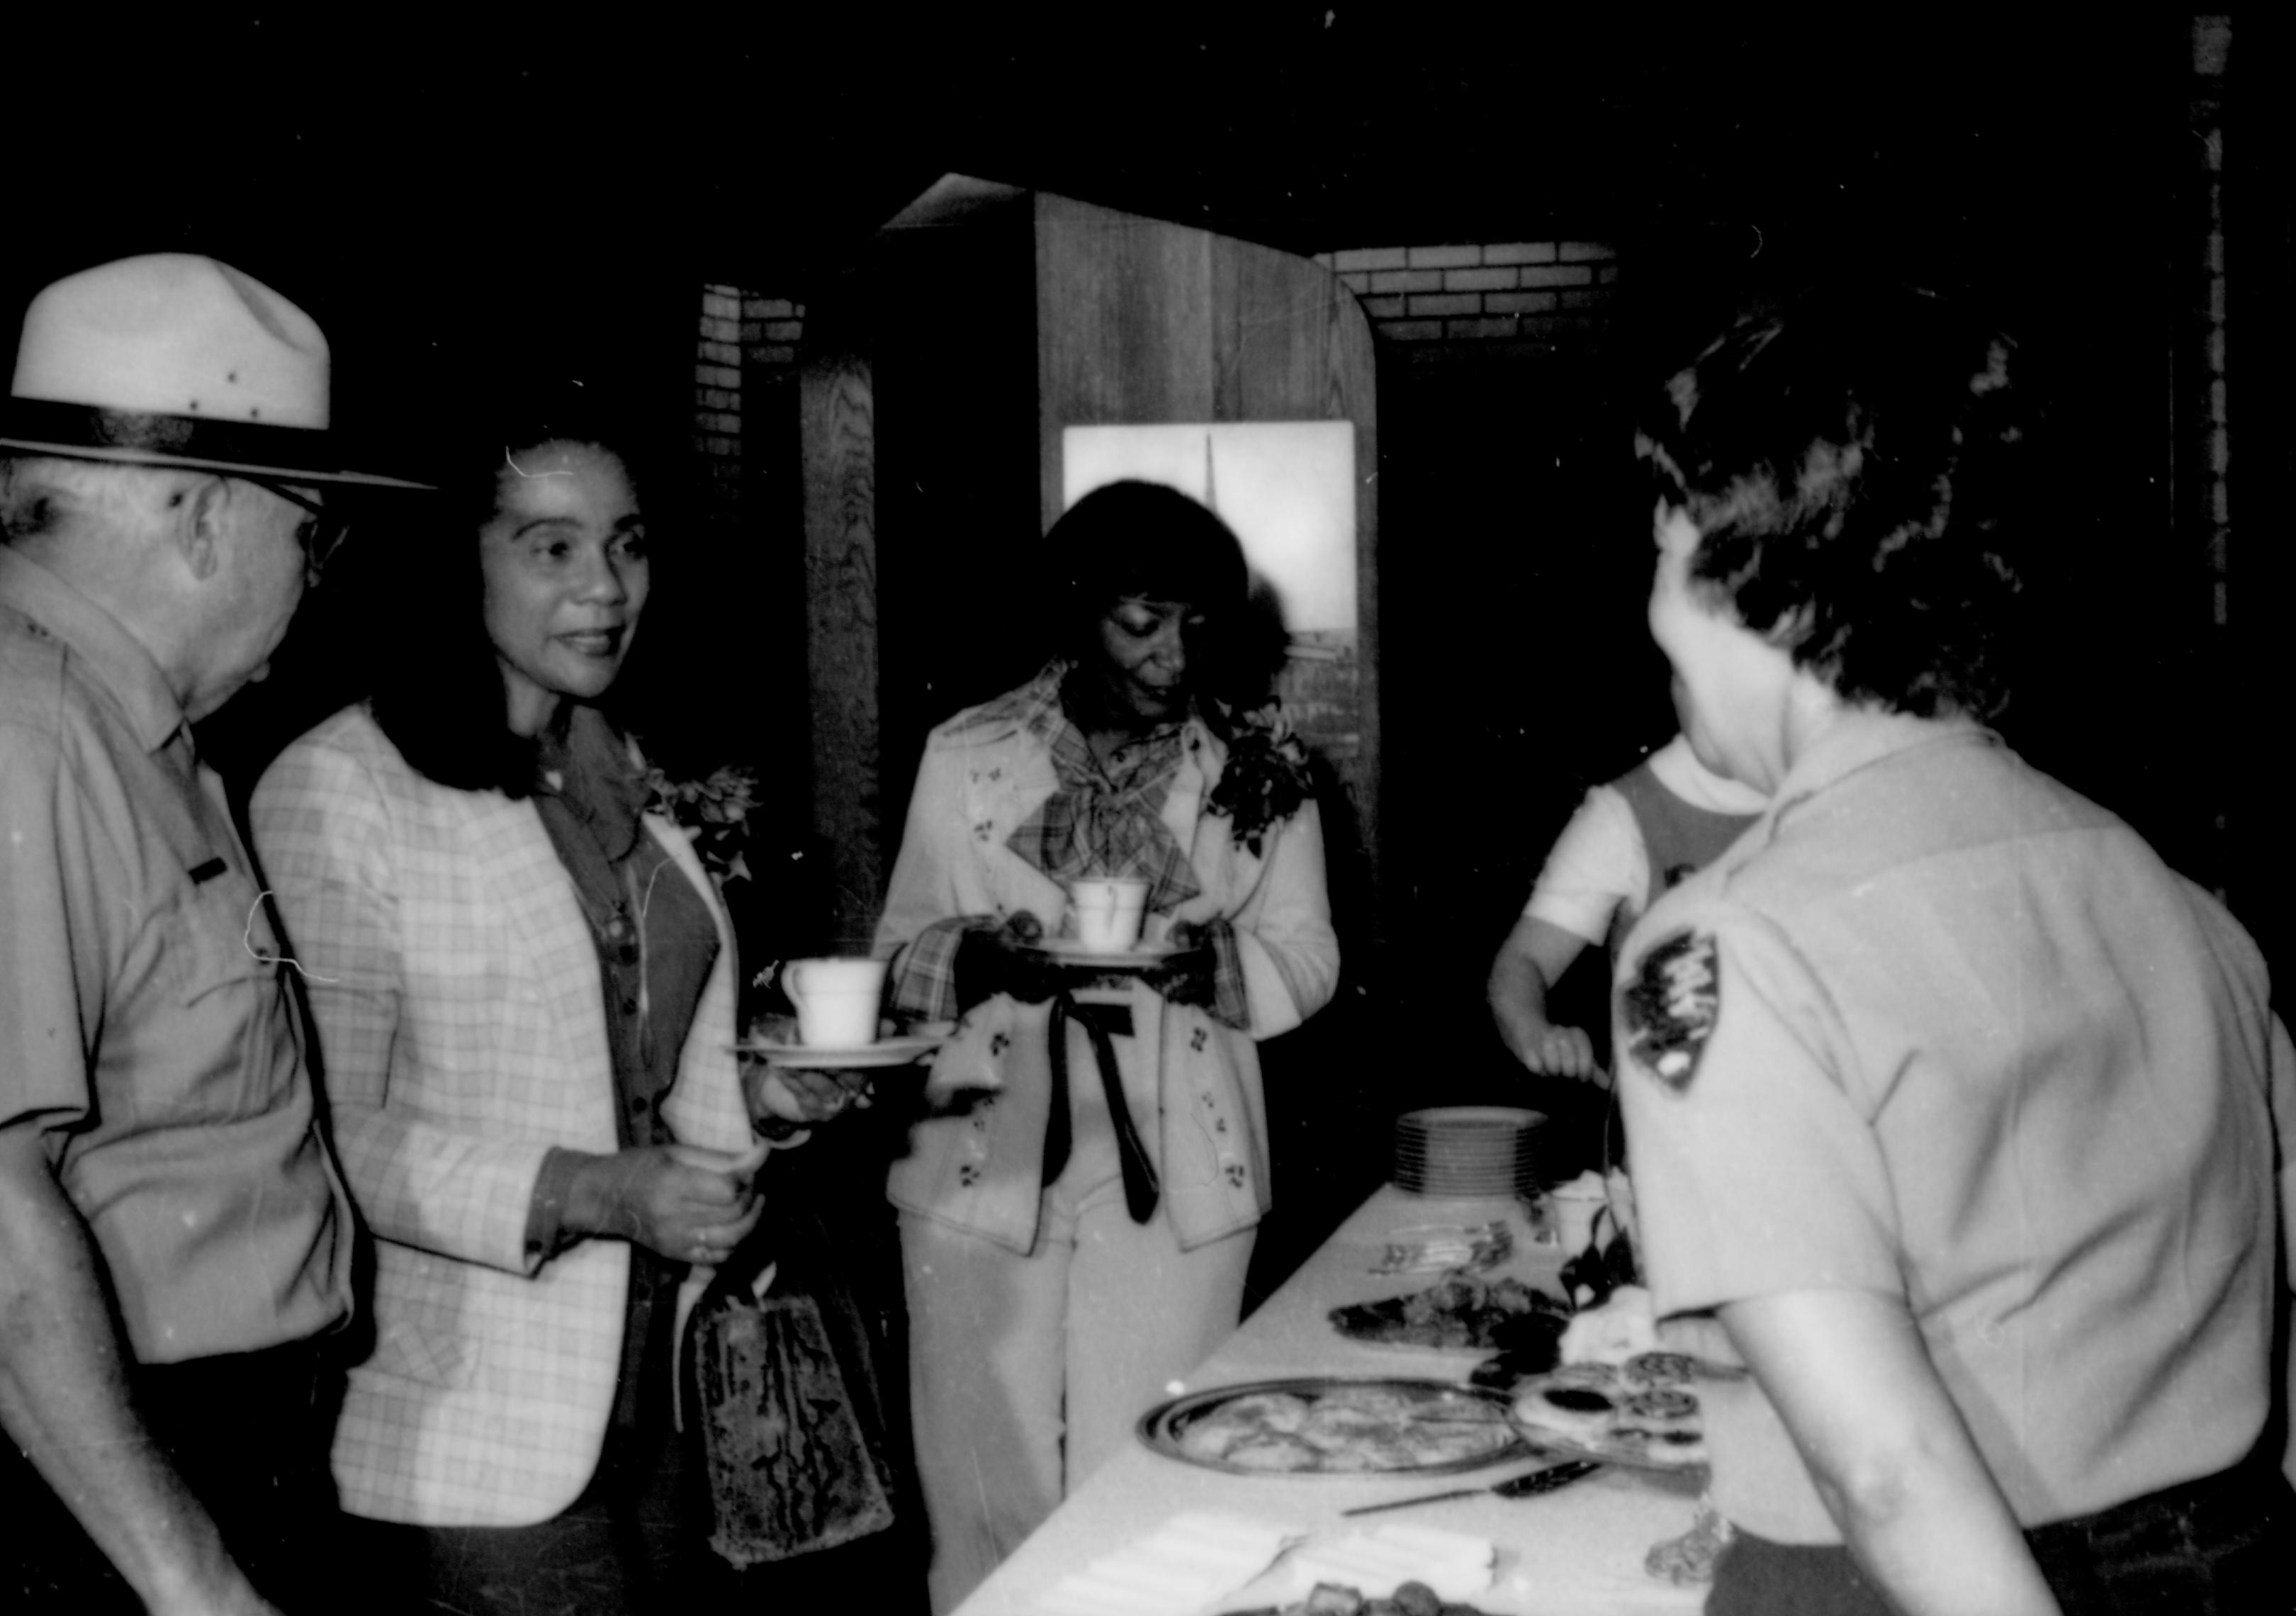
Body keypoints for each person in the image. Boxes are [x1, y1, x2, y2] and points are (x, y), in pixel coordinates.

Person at [1611, 284, 2295, 1614]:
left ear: (1749, 584)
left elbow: (1888, 1471)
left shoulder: (1728, 944)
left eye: (1660, 551)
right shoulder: (2165, 892)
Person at [249, 416, 841, 1611]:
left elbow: (643, 1057)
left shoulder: (613, 764)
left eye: (626, 544)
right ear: (458, 563)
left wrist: (762, 1099)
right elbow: (316, 1138)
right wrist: (591, 1189)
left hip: (661, 1398)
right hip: (476, 1428)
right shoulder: (343, 790)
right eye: (552, 549)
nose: (608, 589)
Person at [0, 253, 419, 1612]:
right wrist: (193, 1583)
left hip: (207, 1454)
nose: (313, 581)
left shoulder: (135, 735)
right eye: (310, 534)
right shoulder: (32, 739)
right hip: (124, 1487)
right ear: (199, 516)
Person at [874, 479, 1340, 1613]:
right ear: (1078, 611)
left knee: (1144, 1496)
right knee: (988, 1503)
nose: (1175, 656)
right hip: (983, 1161)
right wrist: (976, 957)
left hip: (1179, 1174)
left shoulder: (1255, 768)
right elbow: (895, 954)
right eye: (1143, 621)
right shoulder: (969, 751)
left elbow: (1310, 953)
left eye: (1196, 624)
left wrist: (1215, 970)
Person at [1487, 722, 1765, 1082]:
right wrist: (1539, 1034)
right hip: (1670, 1121)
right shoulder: (1627, 809)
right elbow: (1523, 962)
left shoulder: (1836, 789)